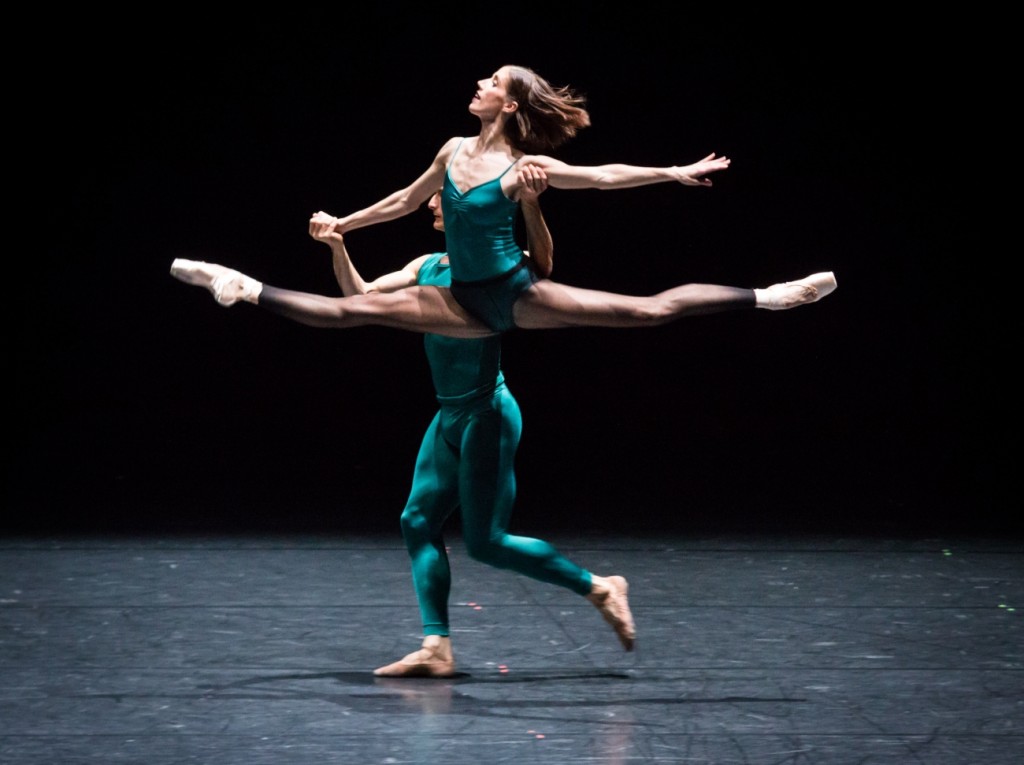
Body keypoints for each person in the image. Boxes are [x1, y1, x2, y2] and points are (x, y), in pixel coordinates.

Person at [171, 64, 836, 335]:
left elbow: (602, 177)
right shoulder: (452, 150)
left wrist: (671, 171)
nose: (479, 83)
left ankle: (771, 295)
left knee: (648, 312)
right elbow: (405, 201)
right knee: (353, 313)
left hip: (516, 293)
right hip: (460, 298)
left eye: (490, 81)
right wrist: (344, 222)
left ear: (508, 101)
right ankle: (241, 287)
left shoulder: (526, 166)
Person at [325, 168, 635, 677]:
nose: (431, 204)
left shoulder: (491, 275)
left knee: (486, 541)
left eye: (442, 200)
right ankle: (437, 647)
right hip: (448, 412)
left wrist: (532, 204)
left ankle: (600, 586)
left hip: (487, 413)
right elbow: (359, 299)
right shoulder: (426, 265)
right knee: (416, 521)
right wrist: (337, 245)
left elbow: (544, 266)